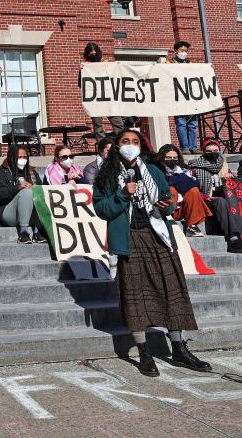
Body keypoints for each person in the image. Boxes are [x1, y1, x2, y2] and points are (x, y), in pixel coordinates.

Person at [93, 129, 211, 377]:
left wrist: (165, 205)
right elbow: (102, 209)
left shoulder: (154, 170)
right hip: (129, 237)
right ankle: (144, 352)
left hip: (157, 234)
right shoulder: (106, 174)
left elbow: (167, 201)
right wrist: (123, 193)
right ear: (116, 145)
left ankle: (179, 348)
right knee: (135, 296)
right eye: (125, 141)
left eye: (135, 141)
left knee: (172, 290)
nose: (130, 145)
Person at [0, 145, 46, 244]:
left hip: (31, 215)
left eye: (25, 157)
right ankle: (24, 233)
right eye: (19, 157)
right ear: (12, 157)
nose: (22, 160)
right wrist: (17, 188)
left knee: (37, 193)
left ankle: (37, 232)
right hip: (9, 212)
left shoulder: (32, 173)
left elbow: (43, 194)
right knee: (26, 192)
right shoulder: (1, 172)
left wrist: (34, 188)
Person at [157, 144, 213, 237]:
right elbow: (166, 183)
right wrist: (179, 181)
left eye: (175, 157)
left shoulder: (183, 169)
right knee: (171, 189)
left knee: (194, 190)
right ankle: (168, 221)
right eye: (168, 157)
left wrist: (174, 180)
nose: (172, 160)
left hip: (183, 207)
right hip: (165, 209)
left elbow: (195, 184)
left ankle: (191, 226)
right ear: (162, 158)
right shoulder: (157, 170)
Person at [79, 42, 127, 138]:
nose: (93, 55)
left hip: (109, 99)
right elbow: (81, 85)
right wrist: (82, 72)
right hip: (95, 101)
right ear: (87, 55)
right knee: (98, 126)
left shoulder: (105, 64)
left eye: (95, 53)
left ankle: (121, 145)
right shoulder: (85, 68)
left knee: (118, 124)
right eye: (91, 54)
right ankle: (103, 148)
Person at [169, 41, 199, 153]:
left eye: (186, 51)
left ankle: (193, 147)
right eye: (182, 50)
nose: (184, 53)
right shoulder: (169, 64)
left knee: (193, 124)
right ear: (176, 51)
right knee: (181, 123)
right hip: (178, 99)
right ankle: (185, 147)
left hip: (191, 99)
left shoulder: (190, 64)